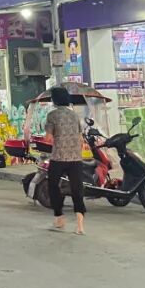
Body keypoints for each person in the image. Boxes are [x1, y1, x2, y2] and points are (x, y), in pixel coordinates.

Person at [44, 87, 86, 234]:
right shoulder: (74, 115)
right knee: (77, 190)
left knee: (53, 186)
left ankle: (59, 218)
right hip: (75, 158)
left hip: (59, 157)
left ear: (54, 100)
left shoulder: (52, 115)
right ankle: (80, 225)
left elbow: (48, 138)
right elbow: (80, 138)